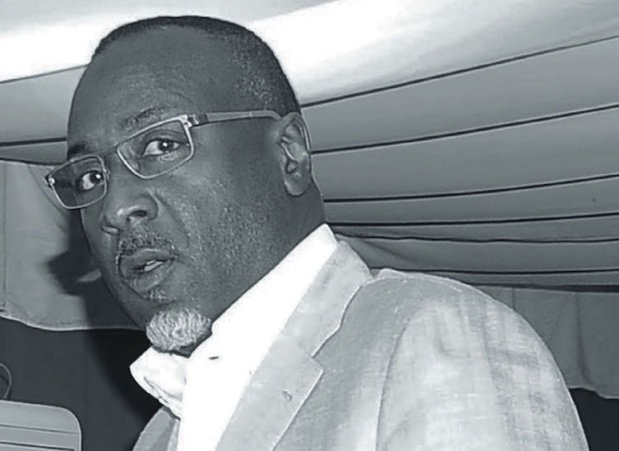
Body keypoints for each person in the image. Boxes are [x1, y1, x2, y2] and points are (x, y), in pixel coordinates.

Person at [45, 15, 588, 451]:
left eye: (162, 145)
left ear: (290, 154)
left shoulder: (432, 337)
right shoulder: (163, 433)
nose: (115, 207)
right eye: (90, 177)